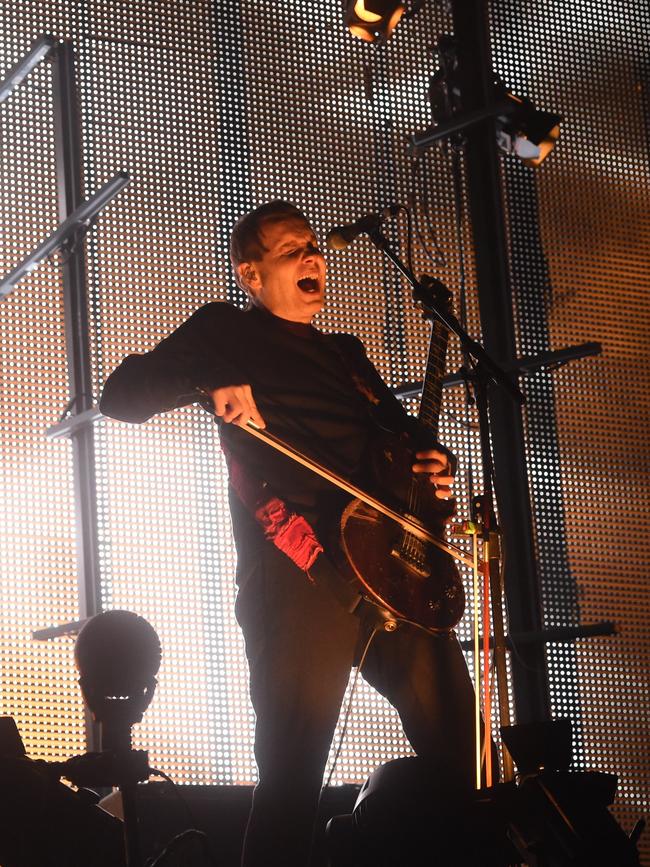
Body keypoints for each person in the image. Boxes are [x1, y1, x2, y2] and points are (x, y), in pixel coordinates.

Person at [100, 200, 480, 867]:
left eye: (314, 245)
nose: (313, 257)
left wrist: (433, 466)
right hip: (298, 576)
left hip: (389, 570)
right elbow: (121, 394)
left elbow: (408, 445)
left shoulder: (348, 356)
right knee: (292, 773)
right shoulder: (225, 331)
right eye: (292, 250)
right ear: (251, 275)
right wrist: (206, 380)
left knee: (462, 748)